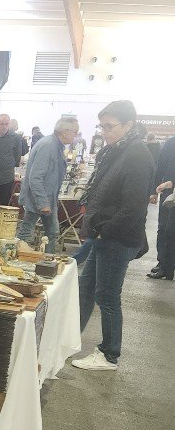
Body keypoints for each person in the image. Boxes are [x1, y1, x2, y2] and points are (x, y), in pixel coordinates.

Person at [71, 100, 156, 371]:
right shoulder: (115, 151)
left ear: (129, 125)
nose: (104, 132)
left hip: (118, 238)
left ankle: (109, 354)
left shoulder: (137, 155)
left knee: (106, 296)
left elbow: (133, 207)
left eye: (110, 127)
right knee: (85, 289)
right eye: (102, 126)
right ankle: (70, 340)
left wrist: (103, 230)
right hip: (103, 235)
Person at [16, 115, 79, 253]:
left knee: (51, 232)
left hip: (46, 197)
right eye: (75, 132)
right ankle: (18, 259)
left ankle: (47, 261)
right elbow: (35, 177)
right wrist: (43, 202)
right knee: (27, 233)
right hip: (39, 197)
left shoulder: (54, 145)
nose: (76, 135)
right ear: (65, 131)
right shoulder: (48, 146)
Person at [147, 133, 175, 281]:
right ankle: (163, 263)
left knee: (169, 230)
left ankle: (167, 265)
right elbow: (161, 166)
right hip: (169, 194)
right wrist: (154, 191)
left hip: (170, 189)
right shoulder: (171, 143)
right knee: (164, 228)